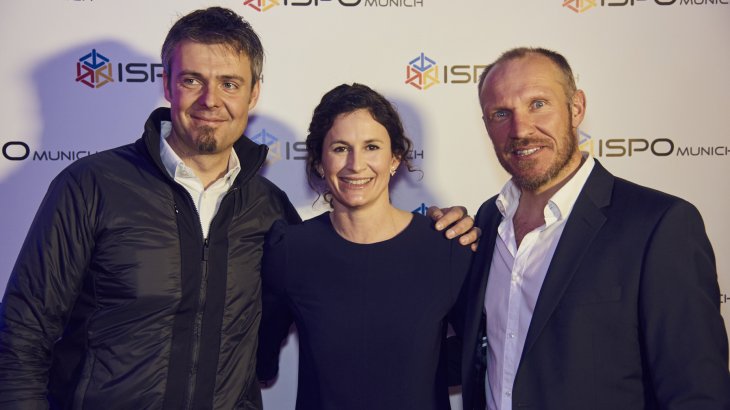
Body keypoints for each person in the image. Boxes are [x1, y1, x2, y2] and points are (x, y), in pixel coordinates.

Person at [0, 7, 476, 410]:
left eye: (229, 83)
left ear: (253, 93)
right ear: (166, 85)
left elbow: (354, 289)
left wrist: (441, 225)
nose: (211, 100)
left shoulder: (270, 211)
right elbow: (21, 335)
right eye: (193, 80)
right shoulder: (92, 186)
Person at [456, 47, 730, 410]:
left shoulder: (659, 225)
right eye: (501, 113)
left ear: (576, 108)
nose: (520, 129)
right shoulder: (488, 220)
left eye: (538, 104)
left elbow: (697, 392)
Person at [256, 83, 473, 410]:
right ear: (318, 161)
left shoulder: (446, 247)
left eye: (372, 147)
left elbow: (486, 352)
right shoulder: (291, 250)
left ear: (395, 158)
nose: (356, 165)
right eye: (341, 148)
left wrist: (415, 371)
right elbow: (260, 357)